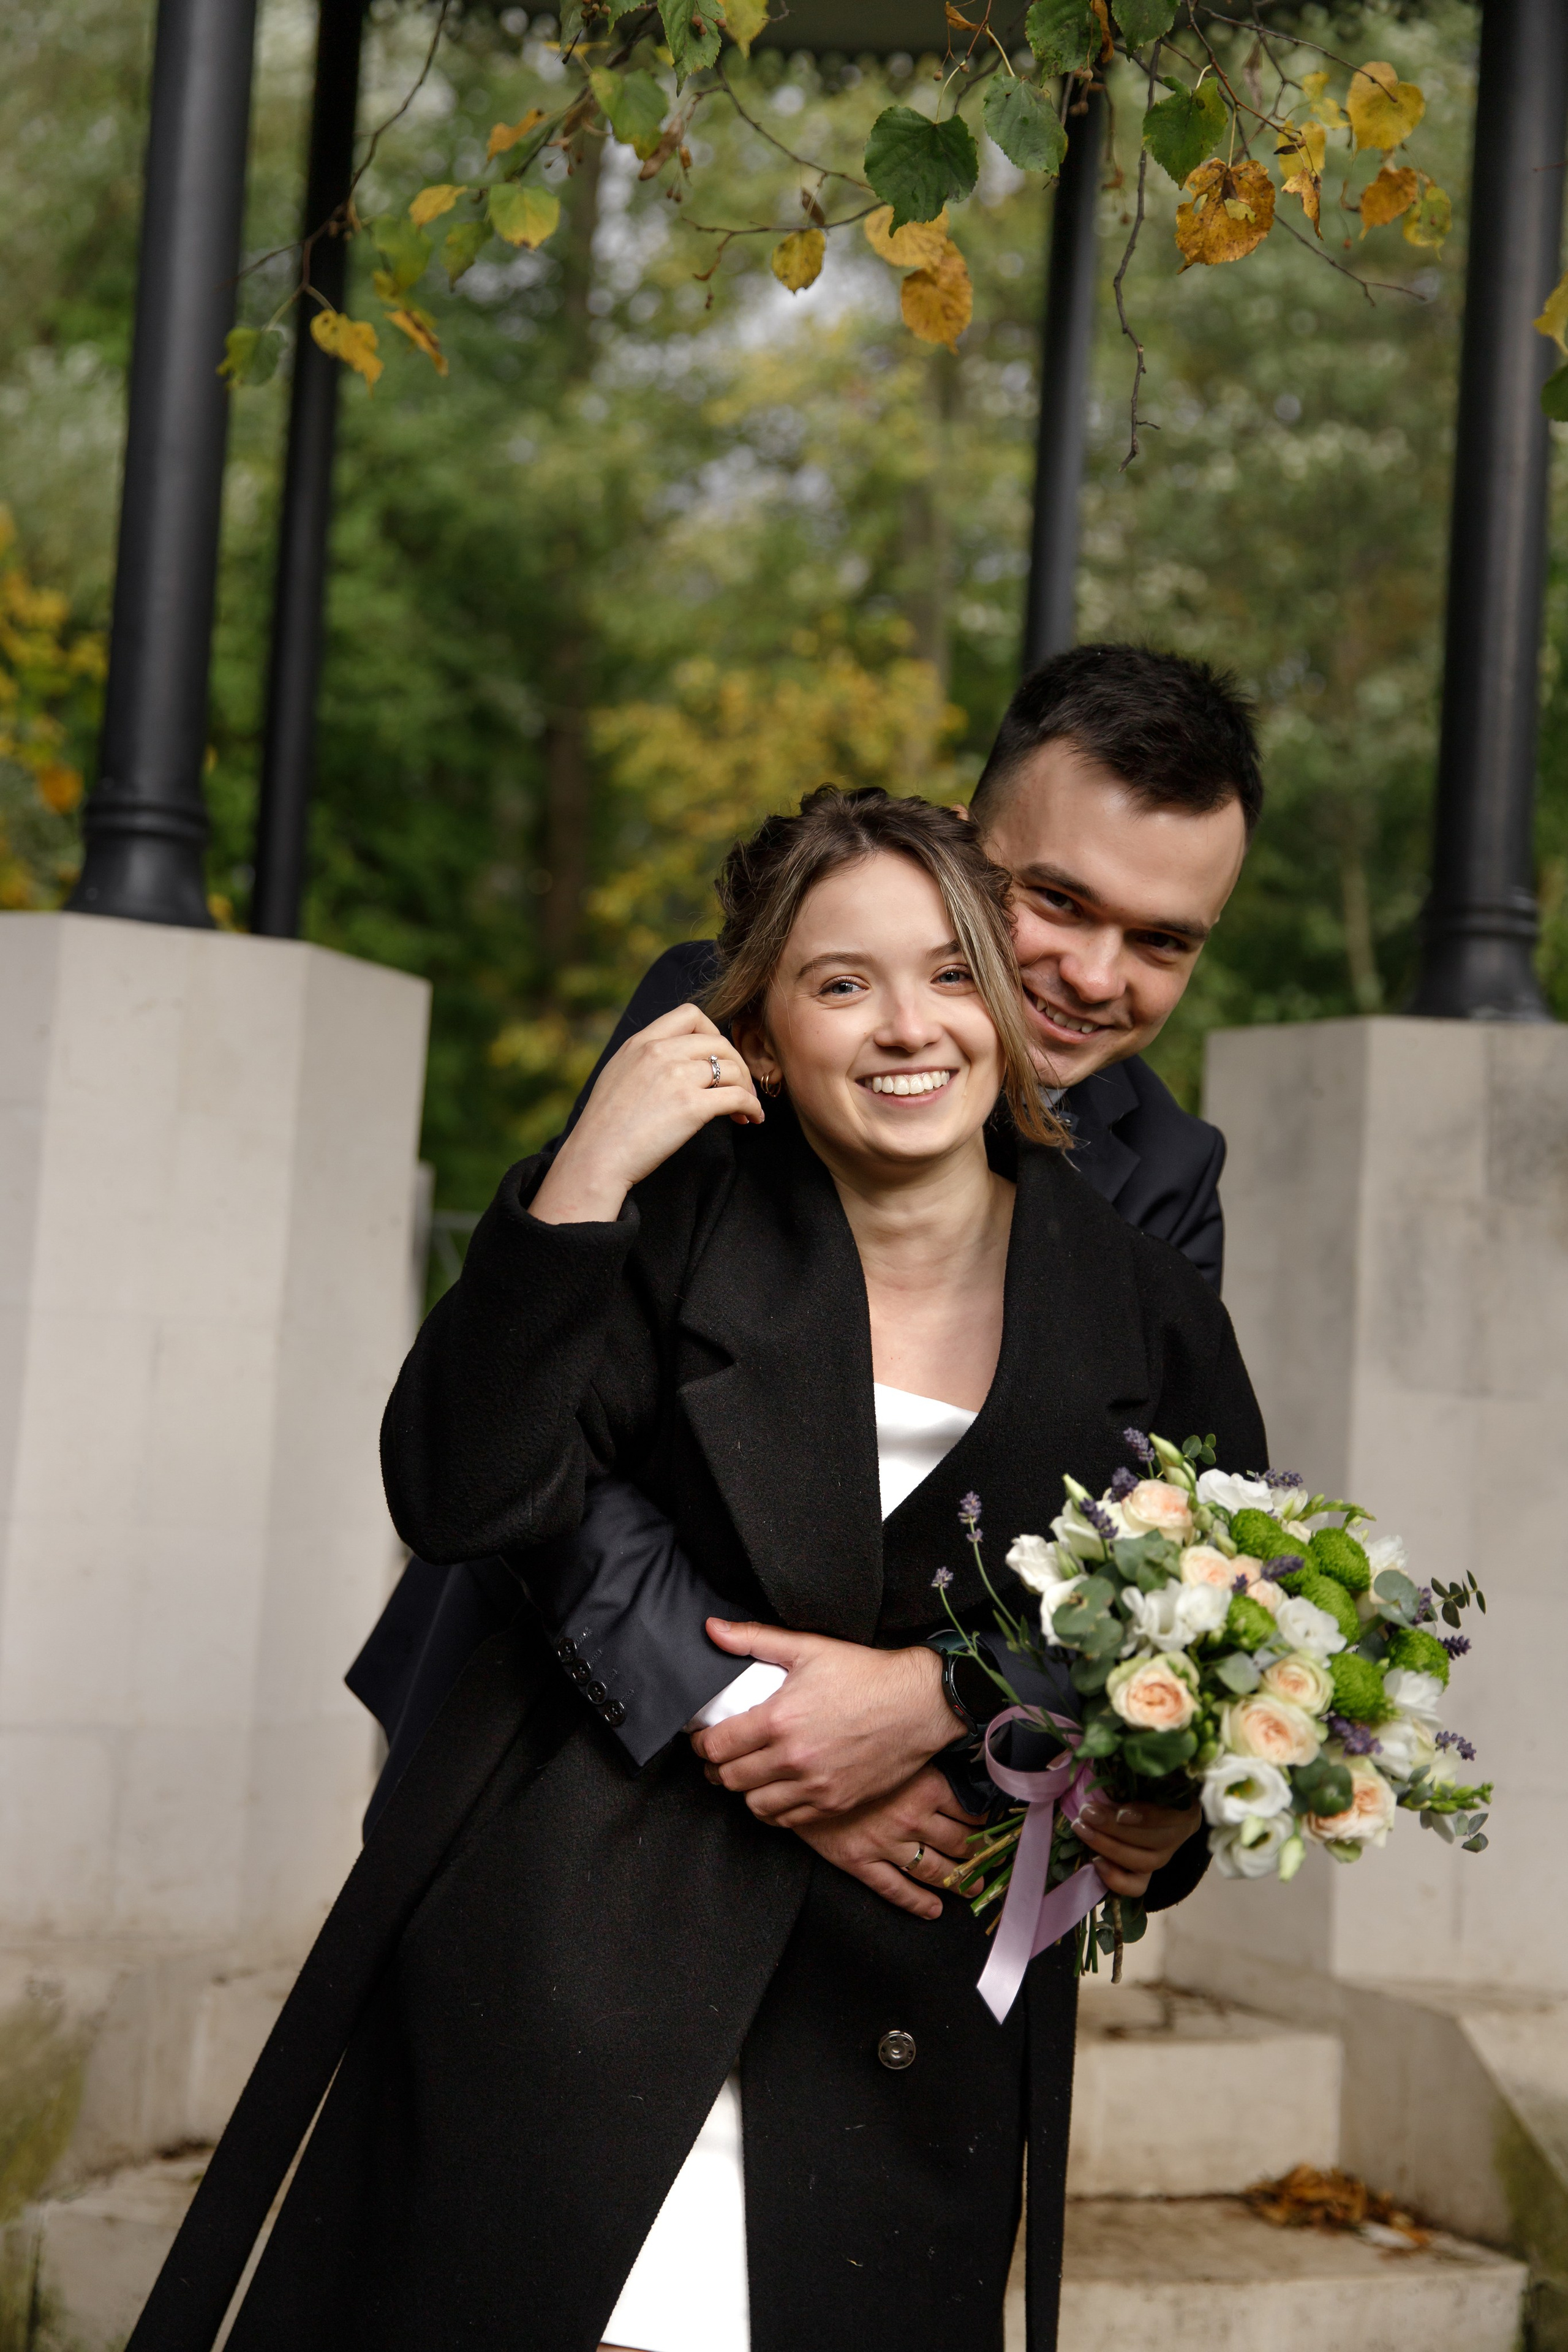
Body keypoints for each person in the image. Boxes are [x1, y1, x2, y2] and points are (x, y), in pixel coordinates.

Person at [131, 788, 1266, 2352]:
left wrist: (1148, 1815)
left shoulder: (1143, 1303)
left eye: (948, 972)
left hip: (902, 2018)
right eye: (837, 983)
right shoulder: (671, 1217)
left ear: (1001, 1006)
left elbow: (1211, 1629)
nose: (903, 1026)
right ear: (758, 1031)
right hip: (586, 1939)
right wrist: (587, 1165)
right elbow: (469, 1491)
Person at [350, 641, 1262, 1854]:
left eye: (1162, 942)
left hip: (911, 1867)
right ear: (950, 843)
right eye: (1055, 901)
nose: (1093, 977)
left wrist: (932, 1705)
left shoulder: (1161, 1175)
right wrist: (773, 1735)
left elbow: (1141, 1552)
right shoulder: (731, 1013)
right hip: (576, 1757)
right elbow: (562, 1437)